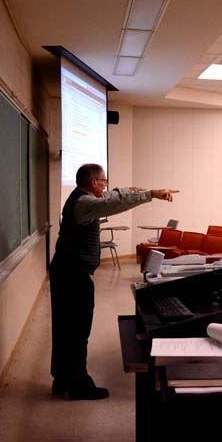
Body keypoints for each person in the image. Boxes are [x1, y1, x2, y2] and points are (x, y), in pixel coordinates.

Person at [50, 163, 178, 400]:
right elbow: (112, 202)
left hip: (66, 272)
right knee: (77, 330)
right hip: (73, 275)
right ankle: (78, 385)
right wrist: (150, 194)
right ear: (92, 183)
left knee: (65, 328)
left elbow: (111, 195)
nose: (106, 185)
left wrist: (132, 189)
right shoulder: (85, 203)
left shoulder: (83, 197)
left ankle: (62, 379)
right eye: (103, 181)